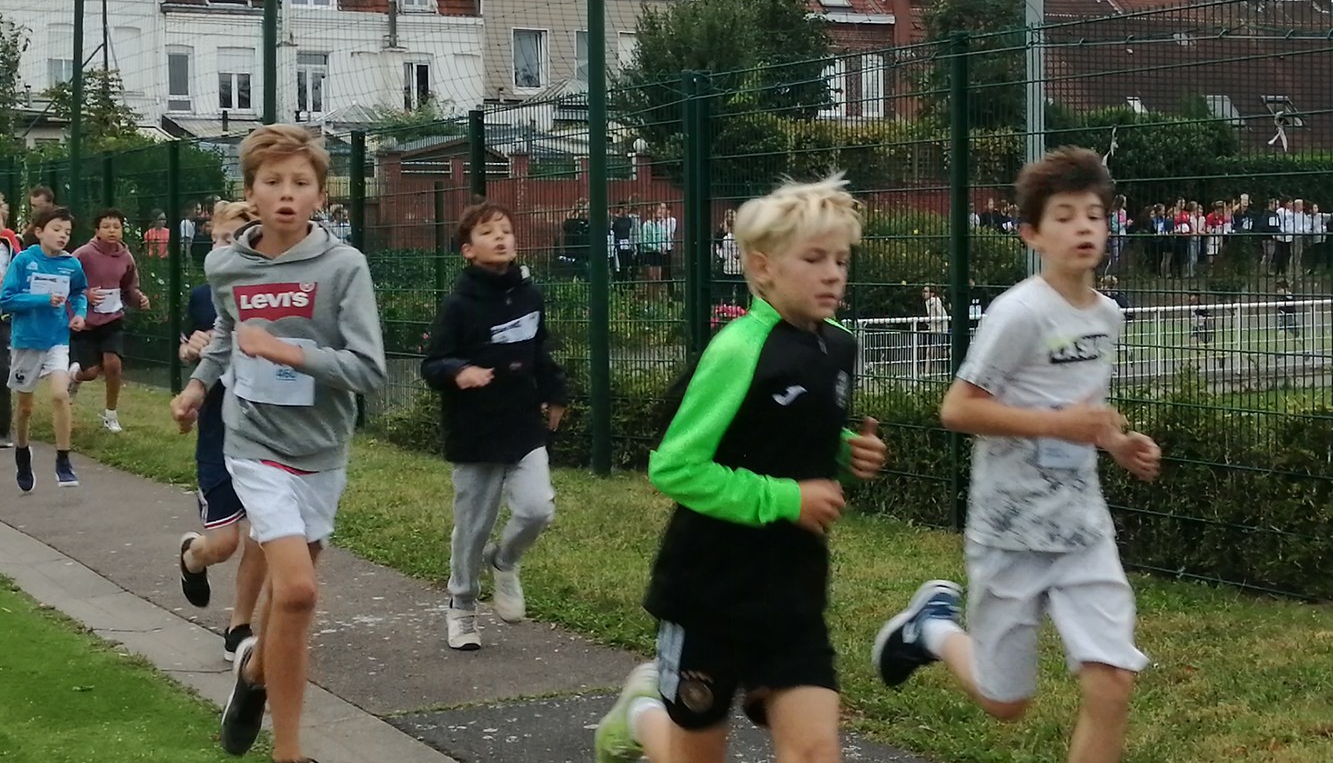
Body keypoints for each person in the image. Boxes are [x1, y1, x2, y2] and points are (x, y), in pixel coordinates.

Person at [870, 147, 1161, 763]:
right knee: (1005, 702)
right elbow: (958, 409)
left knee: (1112, 682)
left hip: (1082, 531)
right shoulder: (1018, 313)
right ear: (1032, 234)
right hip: (1010, 531)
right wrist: (1059, 424)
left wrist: (1116, 441)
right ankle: (932, 629)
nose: (1083, 228)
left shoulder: (1107, 316)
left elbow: (1085, 409)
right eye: (1065, 216)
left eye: (1093, 215)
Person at [594, 175, 887, 763]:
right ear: (762, 266)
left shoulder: (839, 346)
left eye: (841, 259)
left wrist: (845, 452)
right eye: (814, 259)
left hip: (794, 590)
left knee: (816, 753)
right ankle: (642, 715)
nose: (833, 274)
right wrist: (786, 499)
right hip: (710, 591)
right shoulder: (737, 350)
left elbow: (787, 434)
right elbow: (676, 468)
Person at [169, 124, 387, 763]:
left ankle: (255, 671)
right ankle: (288, 753)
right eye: (272, 182)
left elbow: (370, 370)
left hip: (321, 447)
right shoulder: (225, 265)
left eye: (300, 182)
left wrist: (288, 351)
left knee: (291, 601)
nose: (286, 194)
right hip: (253, 442)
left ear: (321, 194)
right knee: (297, 591)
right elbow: (228, 333)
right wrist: (198, 387)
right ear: (251, 192)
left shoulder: (344, 267)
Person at [420, 201, 567, 651]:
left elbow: (539, 350)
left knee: (538, 509)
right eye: (487, 232)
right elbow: (432, 364)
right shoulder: (459, 305)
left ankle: (504, 561)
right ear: (468, 250)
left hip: (522, 425)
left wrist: (556, 392)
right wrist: (459, 371)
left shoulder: (529, 295)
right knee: (473, 528)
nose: (500, 237)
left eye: (505, 229)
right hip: (475, 433)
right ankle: (462, 606)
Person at [176, 200, 268, 663]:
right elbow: (187, 350)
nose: (223, 249)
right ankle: (193, 556)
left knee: (263, 533)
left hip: (267, 431)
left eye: (233, 239)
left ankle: (239, 626)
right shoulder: (201, 297)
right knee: (224, 543)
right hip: (219, 432)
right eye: (216, 240)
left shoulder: (274, 295)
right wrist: (192, 352)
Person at [0, 206, 89, 490]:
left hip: (57, 339)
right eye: (56, 229)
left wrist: (79, 314)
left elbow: (79, 293)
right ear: (39, 232)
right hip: (26, 341)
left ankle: (63, 460)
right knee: (25, 407)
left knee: (60, 395)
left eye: (67, 232)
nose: (62, 236)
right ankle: (22, 451)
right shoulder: (24, 261)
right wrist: (42, 299)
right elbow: (6, 299)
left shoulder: (71, 265)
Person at [67, 208, 150, 434]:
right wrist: (86, 295)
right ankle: (75, 377)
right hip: (85, 321)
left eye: (116, 227)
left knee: (113, 364)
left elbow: (129, 287)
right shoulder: (83, 254)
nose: (112, 231)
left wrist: (139, 299)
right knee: (91, 372)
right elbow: (65, 282)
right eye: (106, 227)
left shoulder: (126, 257)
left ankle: (110, 415)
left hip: (112, 318)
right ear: (97, 230)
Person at [0, 196, 20, 449]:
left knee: (1, 369)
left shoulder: (10, 243)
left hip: (2, 315)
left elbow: (20, 272)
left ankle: (2, 429)